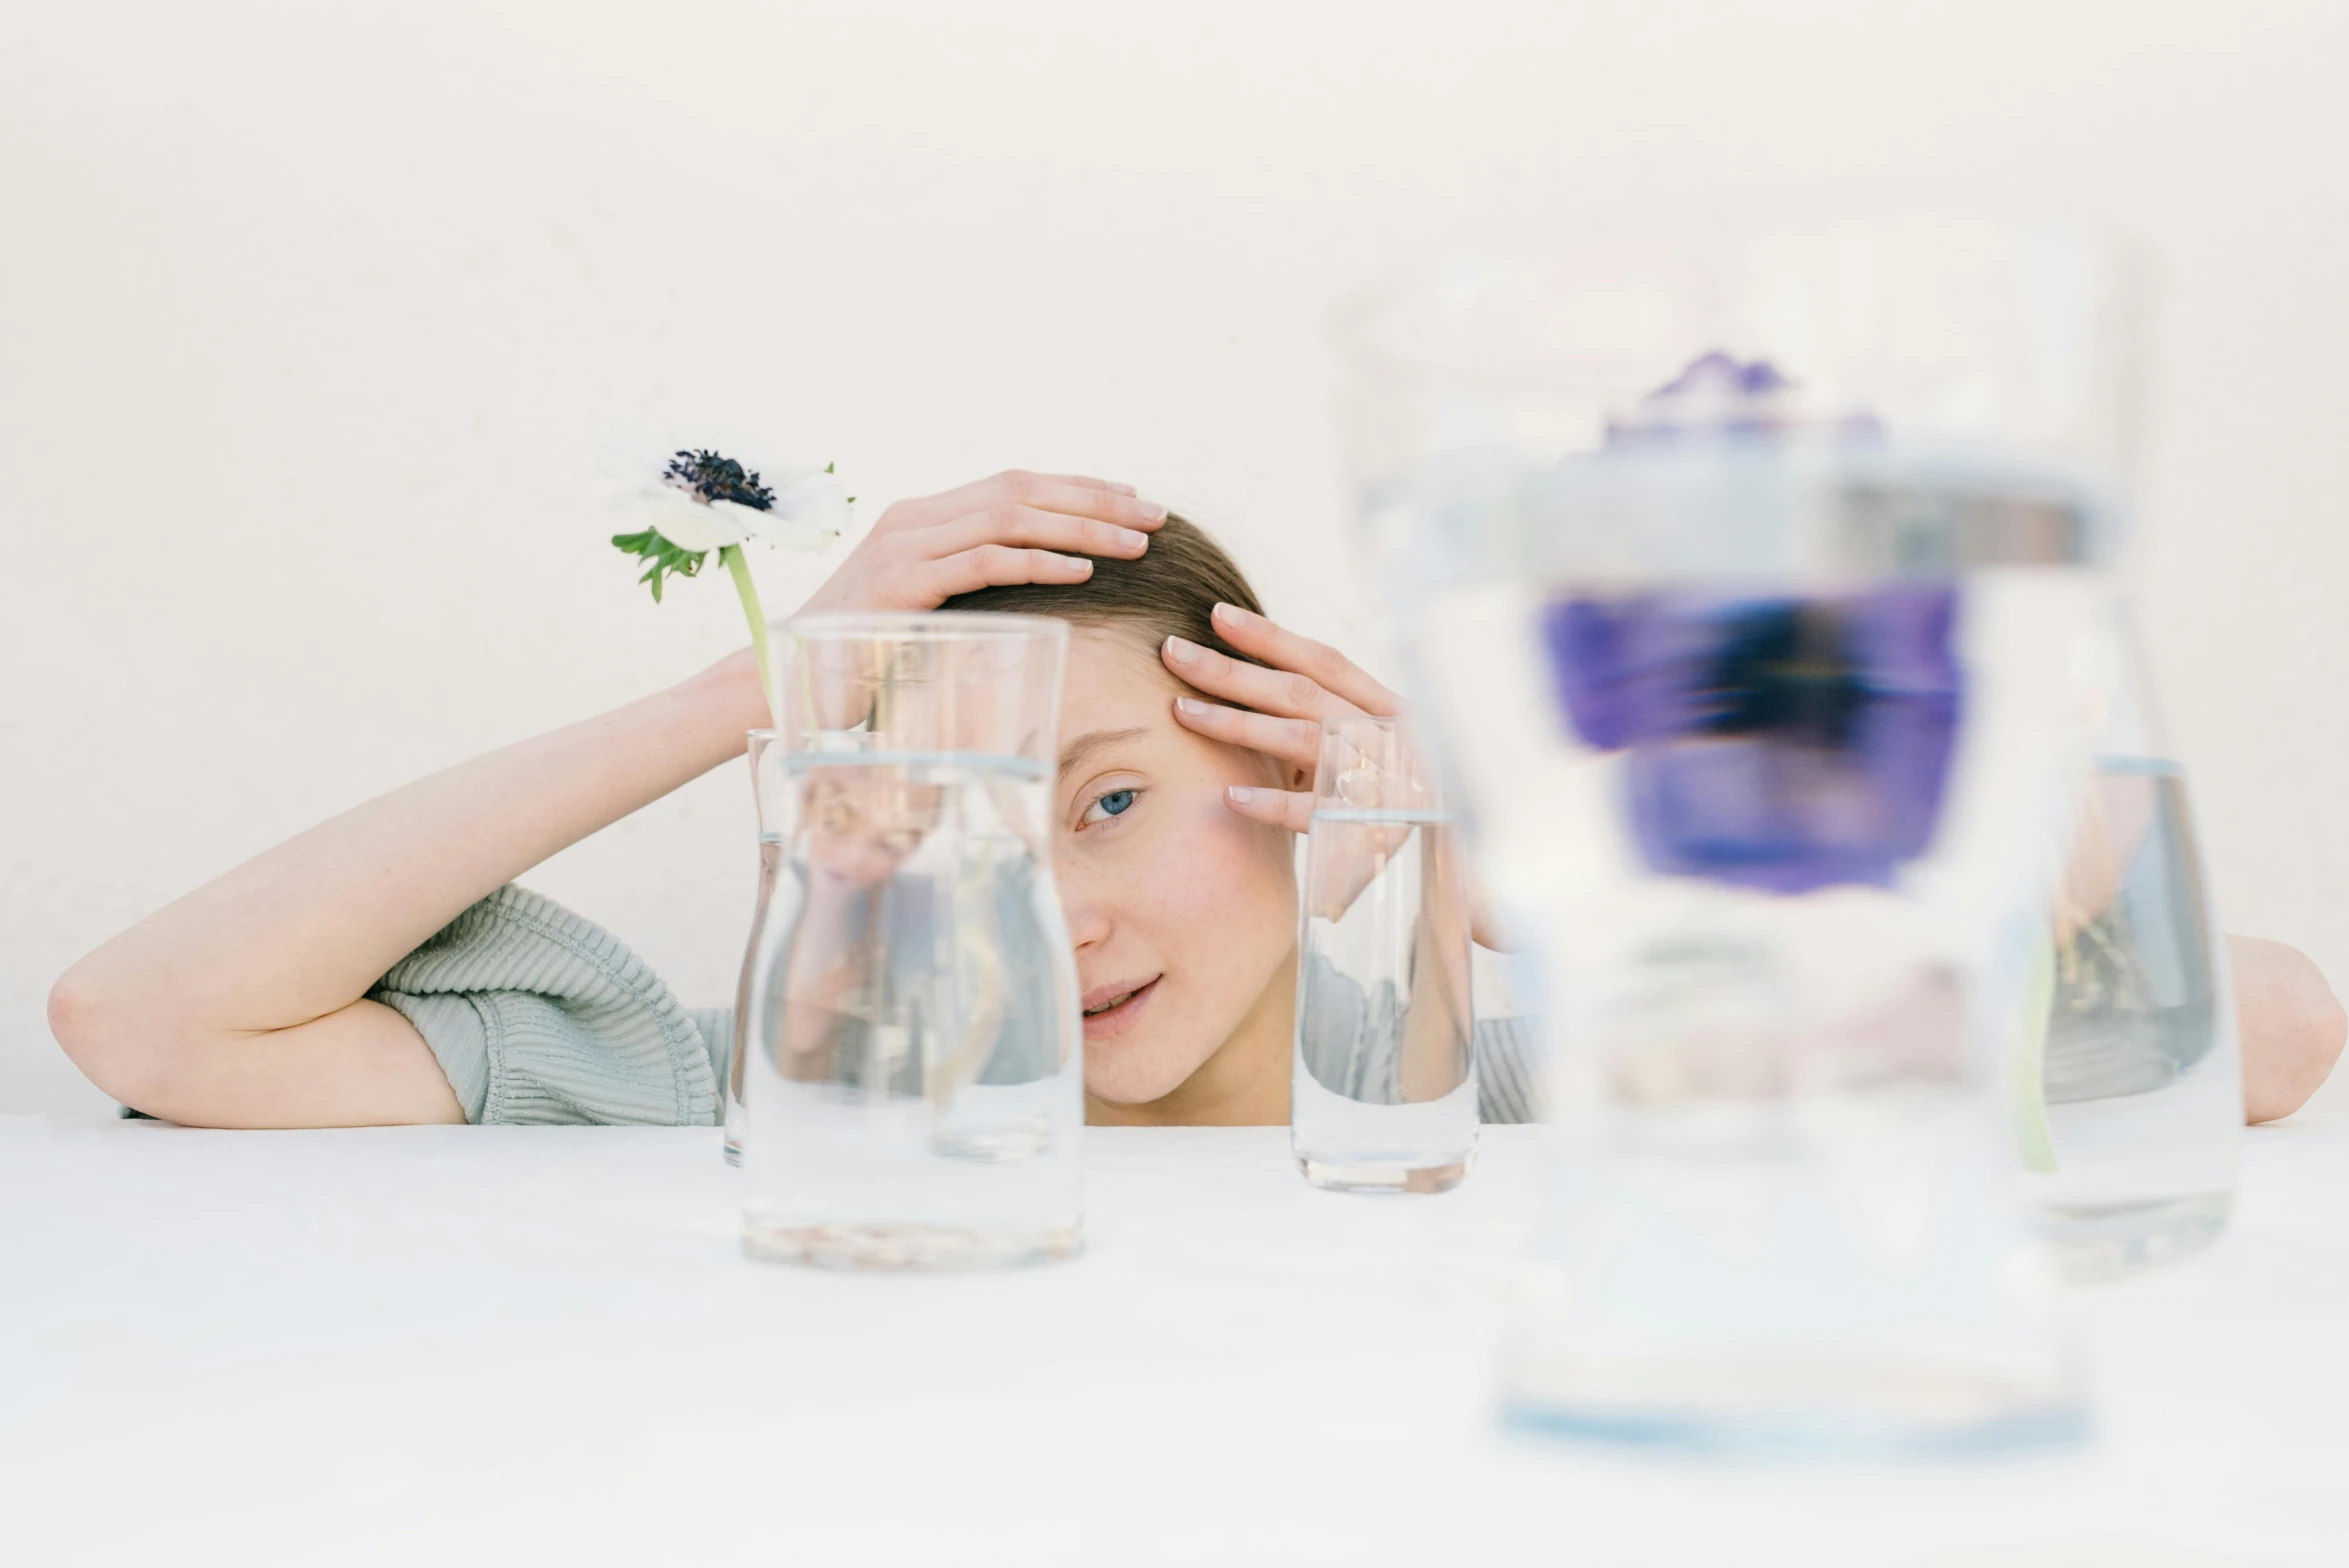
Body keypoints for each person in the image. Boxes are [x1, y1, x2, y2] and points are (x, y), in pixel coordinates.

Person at [47, 470, 2345, 1128]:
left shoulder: (1526, 1081)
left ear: (1283, 779)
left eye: (1112, 799)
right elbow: (150, 1024)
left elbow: (2240, 1025)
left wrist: (1500, 851)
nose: (1039, 902)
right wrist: (763, 689)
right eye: (941, 808)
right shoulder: (730, 1104)